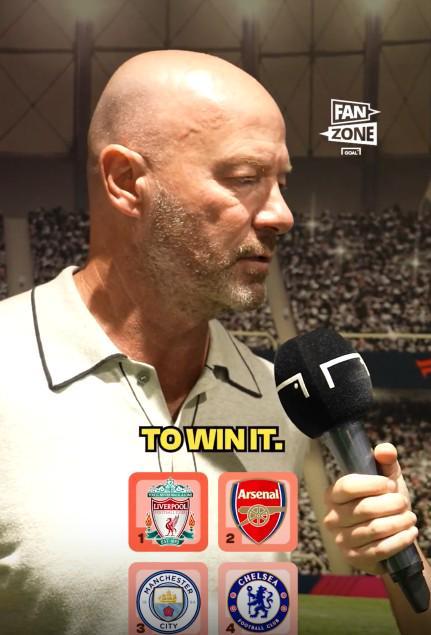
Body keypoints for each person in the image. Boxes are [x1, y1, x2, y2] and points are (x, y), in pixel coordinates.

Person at [0, 49, 429, 635]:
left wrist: (397, 550)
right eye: (246, 179)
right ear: (125, 181)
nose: (283, 215)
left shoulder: (283, 401)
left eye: (280, 182)